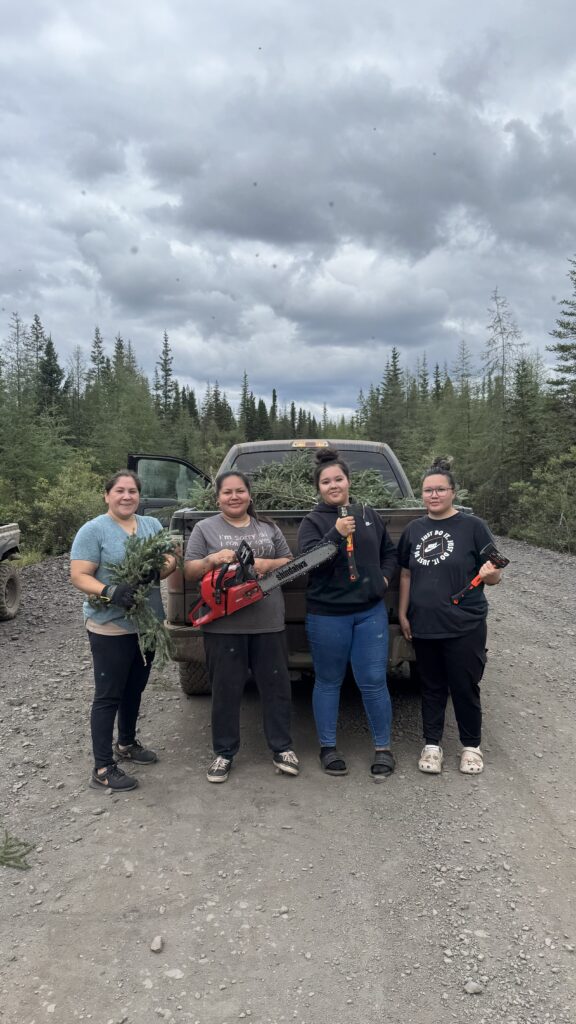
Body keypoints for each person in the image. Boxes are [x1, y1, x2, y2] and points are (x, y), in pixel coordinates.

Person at [184, 471, 300, 783]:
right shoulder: (204, 528)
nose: (234, 497)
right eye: (227, 492)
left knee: (276, 688)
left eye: (240, 491)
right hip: (224, 625)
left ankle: (282, 747)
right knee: (225, 691)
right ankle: (224, 752)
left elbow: (290, 563)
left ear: (249, 495)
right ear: (218, 497)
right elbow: (190, 570)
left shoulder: (268, 527)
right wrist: (212, 560)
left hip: (268, 622)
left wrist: (267, 565)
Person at [70, 470, 178, 792]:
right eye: (120, 490)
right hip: (110, 627)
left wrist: (159, 568)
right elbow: (79, 575)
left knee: (135, 687)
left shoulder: (152, 526)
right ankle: (102, 768)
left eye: (132, 491)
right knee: (108, 695)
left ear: (139, 497)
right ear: (107, 495)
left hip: (146, 625)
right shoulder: (94, 530)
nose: (127, 496)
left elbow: (170, 557)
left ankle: (127, 743)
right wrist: (110, 590)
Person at [397, 457, 503, 776]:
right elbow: (405, 574)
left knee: (464, 685)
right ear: (422, 494)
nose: (434, 495)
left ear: (453, 492)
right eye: (428, 490)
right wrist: (403, 613)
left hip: (465, 625)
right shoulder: (414, 529)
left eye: (440, 489)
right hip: (425, 624)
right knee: (431, 686)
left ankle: (471, 746)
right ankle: (432, 745)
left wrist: (490, 574)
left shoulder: (473, 527)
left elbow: (495, 574)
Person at [297, 448, 397, 780]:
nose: (333, 485)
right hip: (328, 615)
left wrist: (384, 577)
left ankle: (383, 748)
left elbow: (389, 551)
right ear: (318, 488)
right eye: (326, 481)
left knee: (373, 681)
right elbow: (310, 561)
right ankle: (328, 747)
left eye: (338, 479)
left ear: (348, 481)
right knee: (329, 681)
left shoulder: (368, 513)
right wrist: (335, 533)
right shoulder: (313, 522)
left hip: (369, 613)